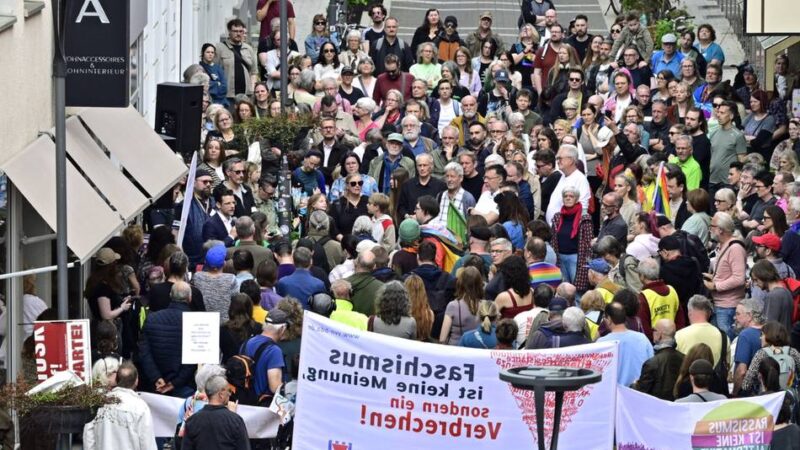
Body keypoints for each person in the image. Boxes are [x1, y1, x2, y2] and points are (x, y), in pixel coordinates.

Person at [139, 282, 197, 398]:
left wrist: (156, 377)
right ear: (189, 298)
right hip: (184, 385)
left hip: (155, 384)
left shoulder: (152, 318)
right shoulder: (196, 322)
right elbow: (193, 359)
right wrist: (176, 382)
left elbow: (144, 351)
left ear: (170, 295)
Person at [83, 362, 157, 450]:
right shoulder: (141, 407)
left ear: (116, 380)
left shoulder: (100, 403)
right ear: (136, 381)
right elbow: (147, 443)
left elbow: (88, 436)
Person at [705, 212, 747, 337]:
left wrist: (715, 285)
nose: (710, 229)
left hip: (728, 306)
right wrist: (712, 277)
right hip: (719, 304)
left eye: (712, 226)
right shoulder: (723, 245)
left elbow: (739, 278)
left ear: (720, 230)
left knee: (727, 342)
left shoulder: (735, 248)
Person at [598, 301, 654, 385]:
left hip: (613, 394)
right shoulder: (642, 338)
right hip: (638, 392)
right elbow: (652, 364)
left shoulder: (601, 343)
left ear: (609, 319)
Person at [551, 186, 593, 290]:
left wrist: (587, 261)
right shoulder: (557, 217)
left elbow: (589, 242)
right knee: (563, 289)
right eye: (565, 196)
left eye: (571, 196)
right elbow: (553, 238)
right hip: (560, 257)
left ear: (576, 199)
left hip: (576, 258)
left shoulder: (584, 218)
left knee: (577, 290)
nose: (568, 198)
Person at [742, 321, 800, 393]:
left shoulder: (761, 354)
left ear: (769, 335)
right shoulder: (792, 352)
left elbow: (746, 385)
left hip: (768, 399)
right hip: (788, 398)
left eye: (762, 334)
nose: (760, 338)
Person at [633, 319, 684, 401]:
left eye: (654, 330)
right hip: (678, 407)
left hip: (656, 409)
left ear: (660, 335)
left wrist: (635, 385)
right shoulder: (684, 359)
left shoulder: (651, 364)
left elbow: (641, 392)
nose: (652, 332)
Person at [676, 295, 730, 369]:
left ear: (689, 312)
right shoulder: (723, 336)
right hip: (715, 379)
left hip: (688, 379)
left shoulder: (679, 335)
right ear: (709, 314)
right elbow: (728, 364)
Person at [215, 19, 258, 103]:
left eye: (241, 31)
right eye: (235, 31)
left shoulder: (248, 48)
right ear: (229, 32)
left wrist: (252, 89)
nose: (238, 34)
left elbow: (254, 72)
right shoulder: (219, 48)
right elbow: (215, 70)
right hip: (227, 95)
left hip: (246, 94)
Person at [732, 298, 766, 397]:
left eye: (738, 314)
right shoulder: (769, 331)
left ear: (750, 316)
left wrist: (735, 393)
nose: (735, 317)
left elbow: (742, 371)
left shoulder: (745, 335)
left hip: (749, 394)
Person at [750, 260, 794, 332]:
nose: (755, 284)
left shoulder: (773, 296)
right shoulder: (786, 291)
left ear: (763, 275)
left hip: (776, 340)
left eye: (756, 280)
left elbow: (769, 328)